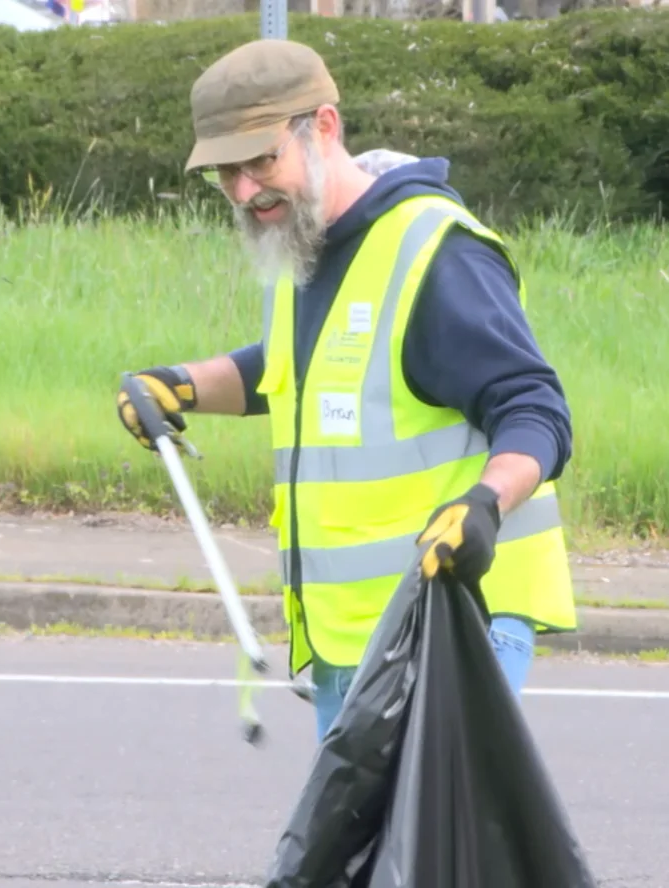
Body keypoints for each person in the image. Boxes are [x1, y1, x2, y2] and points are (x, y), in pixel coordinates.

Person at [116, 38, 577, 742]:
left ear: (323, 128)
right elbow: (290, 371)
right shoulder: (314, 245)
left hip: (451, 622)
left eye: (260, 161)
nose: (244, 191)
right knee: (373, 853)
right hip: (353, 636)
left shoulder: (435, 251)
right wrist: (178, 386)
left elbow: (533, 408)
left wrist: (484, 505)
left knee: (422, 850)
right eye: (224, 174)